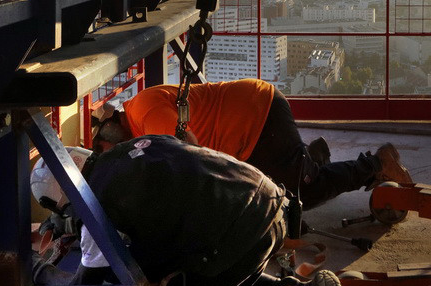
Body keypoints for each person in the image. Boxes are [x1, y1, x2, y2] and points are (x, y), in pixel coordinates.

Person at [29, 136, 360, 286]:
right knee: (223, 274)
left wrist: (41, 273)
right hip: (269, 206)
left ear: (60, 201)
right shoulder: (139, 145)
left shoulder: (96, 210)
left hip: (235, 238)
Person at [113, 78, 413, 216]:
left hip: (257, 117)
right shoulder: (140, 125)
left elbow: (188, 153)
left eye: (103, 146)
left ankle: (375, 164)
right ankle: (309, 158)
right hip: (248, 130)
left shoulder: (144, 112)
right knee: (273, 187)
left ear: (109, 128)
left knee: (299, 196)